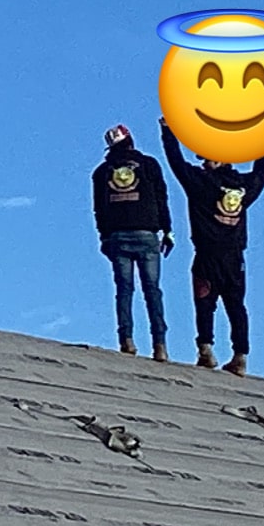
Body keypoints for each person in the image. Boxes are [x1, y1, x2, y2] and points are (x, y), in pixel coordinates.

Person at [159, 117, 264, 376]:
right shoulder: (243, 186)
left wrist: (167, 131)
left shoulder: (201, 182)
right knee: (234, 305)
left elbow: (175, 161)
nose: (204, 162)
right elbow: (263, 173)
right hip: (233, 258)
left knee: (207, 302)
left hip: (209, 255)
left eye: (208, 158)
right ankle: (233, 355)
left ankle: (211, 351)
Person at [93, 124, 175, 362]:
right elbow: (162, 197)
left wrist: (104, 236)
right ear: (131, 141)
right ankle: (160, 345)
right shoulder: (149, 165)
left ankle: (126, 340)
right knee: (153, 290)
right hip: (147, 233)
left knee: (124, 289)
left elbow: (99, 208)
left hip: (118, 235)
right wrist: (168, 230)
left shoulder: (101, 172)